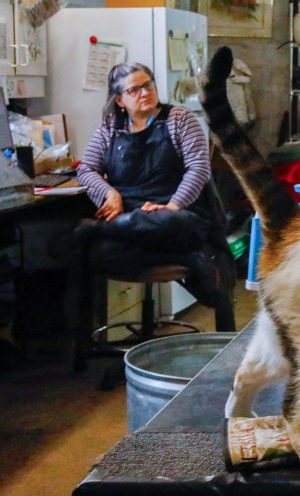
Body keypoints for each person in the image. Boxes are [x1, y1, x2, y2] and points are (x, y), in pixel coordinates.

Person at [73, 62, 234, 326]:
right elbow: (86, 169)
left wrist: (172, 206)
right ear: (120, 100)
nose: (145, 92)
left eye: (148, 85)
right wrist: (109, 194)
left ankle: (97, 228)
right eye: (134, 89)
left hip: (177, 215)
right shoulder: (110, 128)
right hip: (135, 220)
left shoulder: (179, 119)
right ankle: (187, 255)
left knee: (172, 223)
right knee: (99, 255)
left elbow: (199, 168)